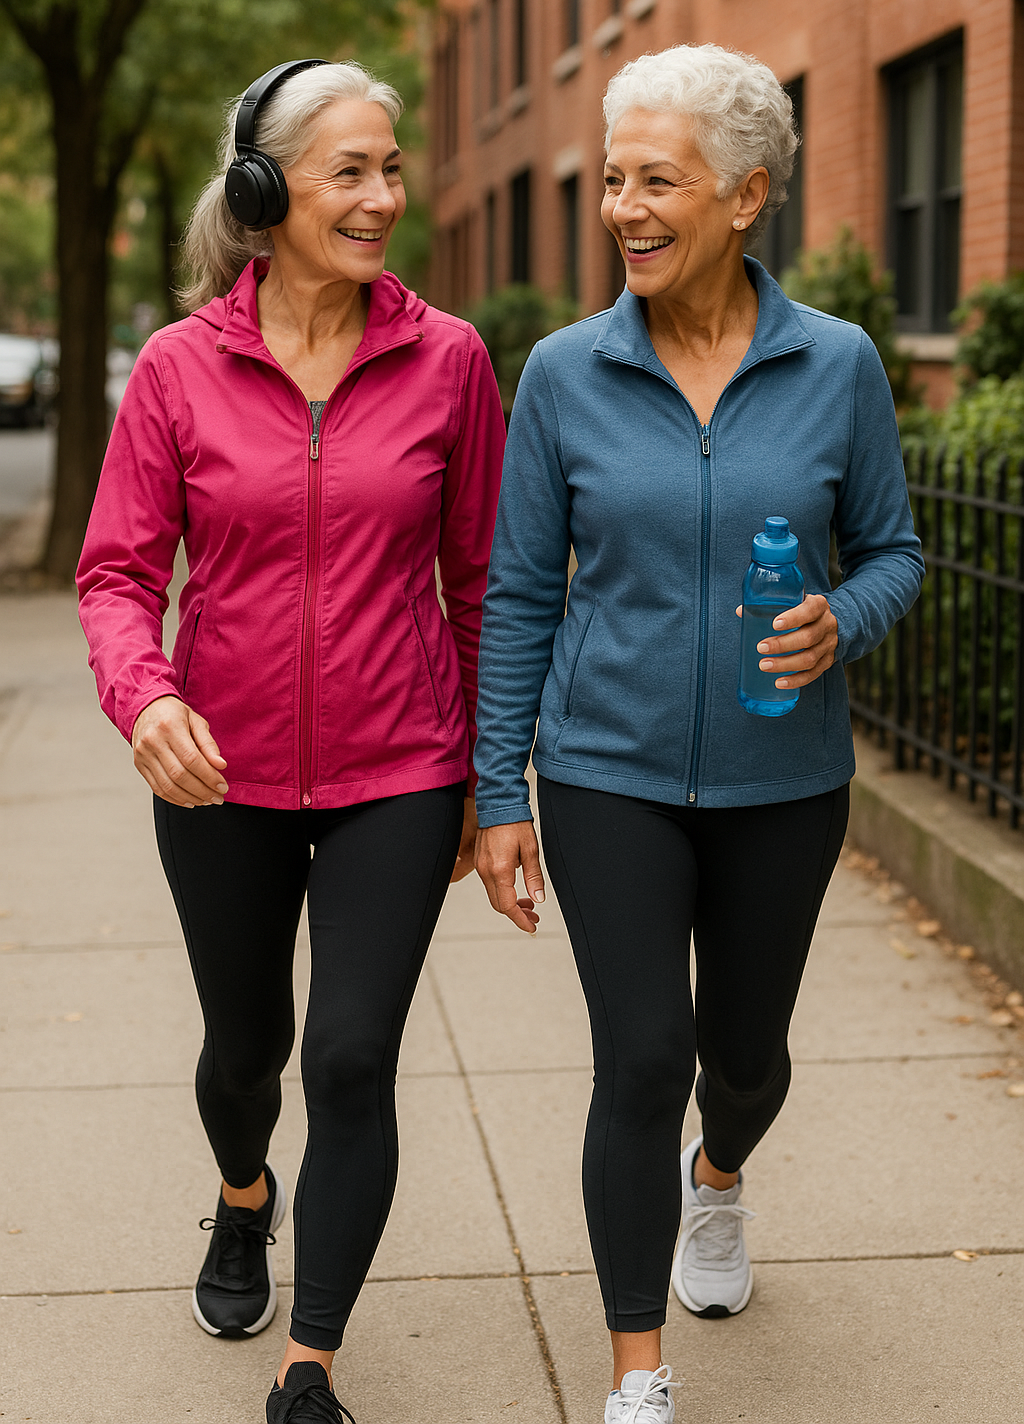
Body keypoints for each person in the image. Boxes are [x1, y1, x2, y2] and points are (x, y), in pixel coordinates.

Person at [473, 43, 924, 1424]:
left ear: (746, 196)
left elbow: (896, 553)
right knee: (642, 1059)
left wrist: (841, 619)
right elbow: (518, 591)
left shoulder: (836, 364)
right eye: (613, 181)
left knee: (745, 1059)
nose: (621, 208)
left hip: (787, 778)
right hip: (606, 769)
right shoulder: (563, 372)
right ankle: (636, 1371)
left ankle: (718, 1178)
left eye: (654, 181)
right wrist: (500, 788)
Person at [77, 60, 504, 1424]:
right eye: (351, 173)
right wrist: (145, 698)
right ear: (264, 193)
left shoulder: (448, 359)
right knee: (247, 1049)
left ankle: (310, 1360)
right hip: (223, 776)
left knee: (352, 1058)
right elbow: (115, 575)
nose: (386, 198)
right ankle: (244, 1195)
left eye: (393, 168)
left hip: (402, 768)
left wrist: (496, 790)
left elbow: (487, 585)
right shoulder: (178, 369)